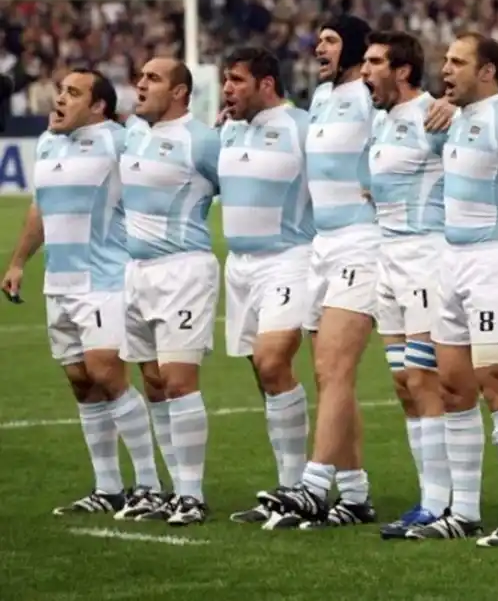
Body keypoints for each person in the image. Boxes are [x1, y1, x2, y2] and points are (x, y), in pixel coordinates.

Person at [2, 69, 164, 518]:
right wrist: (18, 261)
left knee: (107, 373)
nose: (59, 99)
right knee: (80, 383)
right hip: (61, 282)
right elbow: (40, 208)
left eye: (72, 93)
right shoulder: (49, 143)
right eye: (59, 91)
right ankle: (108, 486)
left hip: (105, 279)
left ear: (98, 107)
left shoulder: (119, 139)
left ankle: (149, 484)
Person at [406, 33, 498, 546]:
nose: (446, 70)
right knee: (453, 387)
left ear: (487, 71)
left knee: (497, 382)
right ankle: (463, 509)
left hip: (495, 260)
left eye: (457, 62)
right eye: (445, 61)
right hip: (450, 260)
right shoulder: (450, 119)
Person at [259, 15, 380, 529]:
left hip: (363, 241)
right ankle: (354, 495)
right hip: (322, 245)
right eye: (319, 39)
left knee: (335, 369)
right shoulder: (323, 99)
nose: (318, 47)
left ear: (353, 48)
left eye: (330, 40)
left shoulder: (373, 94)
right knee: (328, 375)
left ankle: (311, 486)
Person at [120, 57, 222, 526]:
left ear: (180, 92)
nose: (141, 84)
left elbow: (238, 187)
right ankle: (169, 490)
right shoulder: (133, 133)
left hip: (183, 271)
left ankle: (192, 494)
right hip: (137, 272)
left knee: (179, 382)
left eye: (153, 79)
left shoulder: (200, 141)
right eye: (140, 77)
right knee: (155, 384)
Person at [360, 30, 453, 540]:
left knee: (424, 381)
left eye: (375, 62)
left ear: (402, 70)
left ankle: (442, 502)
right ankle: (430, 496)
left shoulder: (433, 116)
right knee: (403, 384)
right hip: (388, 257)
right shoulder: (382, 120)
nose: (365, 70)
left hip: (425, 257)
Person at [216, 47, 315, 526]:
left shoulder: (302, 128)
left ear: (267, 83)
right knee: (263, 374)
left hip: (290, 259)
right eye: (225, 81)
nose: (227, 89)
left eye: (236, 80)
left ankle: (298, 487)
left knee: (273, 361)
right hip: (238, 267)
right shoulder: (228, 131)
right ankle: (285, 484)